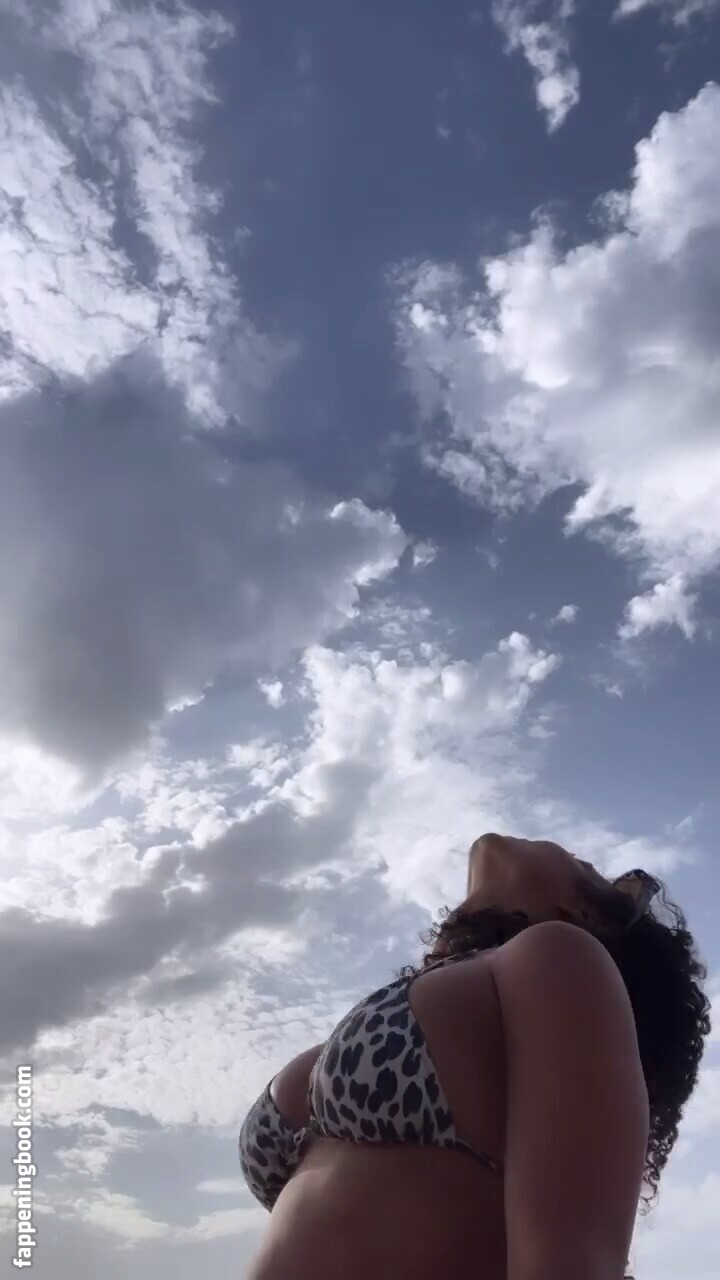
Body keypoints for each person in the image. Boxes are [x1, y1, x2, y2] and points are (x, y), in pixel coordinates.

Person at [239, 833, 710, 1280]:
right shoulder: (438, 999)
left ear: (581, 911)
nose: (571, 852)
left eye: (583, 865)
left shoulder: (561, 957)